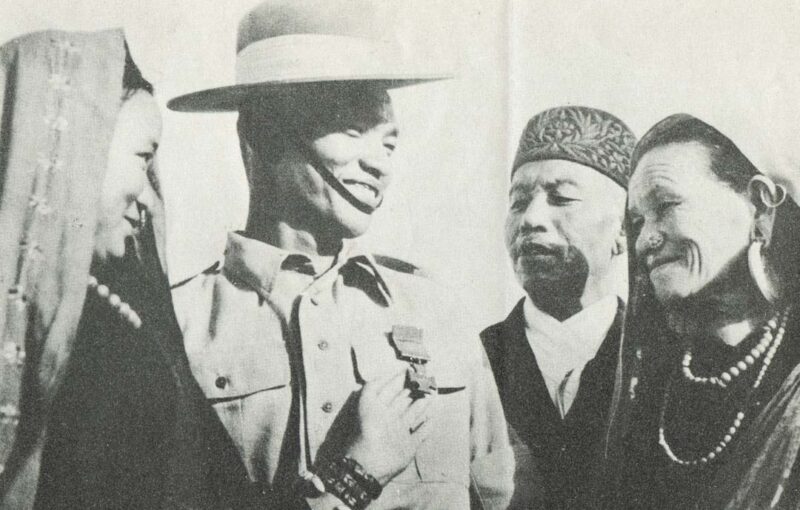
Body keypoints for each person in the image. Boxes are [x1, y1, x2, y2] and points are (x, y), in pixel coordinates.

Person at [168, 1, 514, 509]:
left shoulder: (437, 312)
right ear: (262, 134)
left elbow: (498, 494)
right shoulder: (178, 328)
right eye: (353, 130)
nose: (379, 163)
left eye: (389, 143)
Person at [0, 29, 251, 509]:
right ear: (77, 150)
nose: (150, 198)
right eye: (143, 157)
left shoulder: (110, 313)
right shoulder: (100, 343)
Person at [610, 114, 800, 509]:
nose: (646, 239)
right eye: (637, 221)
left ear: (761, 209)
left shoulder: (791, 365)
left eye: (666, 205)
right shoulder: (644, 380)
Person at [481, 106, 636, 509]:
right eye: (518, 202)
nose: (531, 218)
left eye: (562, 198)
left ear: (624, 229)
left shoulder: (664, 361)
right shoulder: (468, 362)